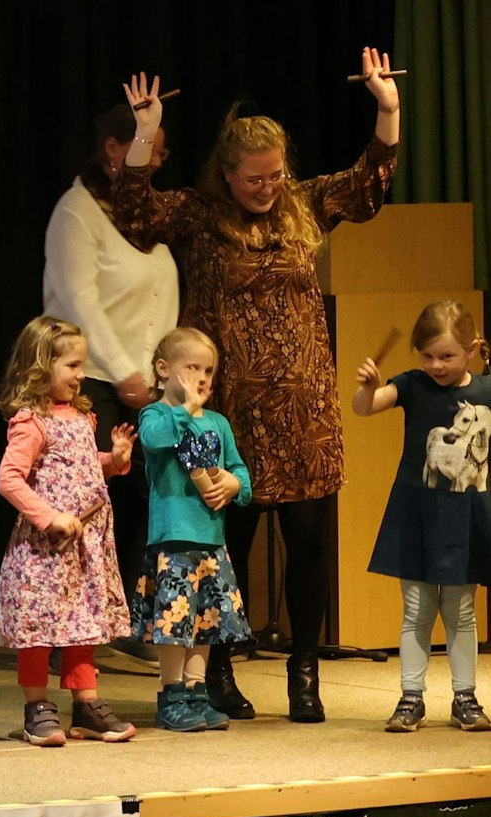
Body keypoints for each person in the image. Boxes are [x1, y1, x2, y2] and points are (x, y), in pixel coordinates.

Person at [113, 56, 400, 723]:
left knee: (308, 544)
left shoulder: (304, 204)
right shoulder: (200, 215)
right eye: (255, 178)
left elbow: (368, 184)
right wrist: (146, 133)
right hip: (226, 413)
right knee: (225, 546)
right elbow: (135, 214)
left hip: (304, 412)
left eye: (276, 176)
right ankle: (216, 669)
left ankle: (305, 670)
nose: (268, 188)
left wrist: (387, 108)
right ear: (227, 172)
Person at [42, 104, 179, 653]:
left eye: (161, 150)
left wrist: (162, 374)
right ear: (115, 148)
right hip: (93, 379)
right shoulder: (77, 211)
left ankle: (128, 619)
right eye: (150, 147)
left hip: (148, 384)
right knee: (85, 503)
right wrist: (124, 371)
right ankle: (63, 631)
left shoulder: (147, 217)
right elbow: (80, 302)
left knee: (149, 502)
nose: (159, 159)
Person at [0, 316, 138, 747]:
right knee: (39, 628)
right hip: (45, 550)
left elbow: (81, 469)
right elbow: (9, 479)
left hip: (85, 546)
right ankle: (36, 706)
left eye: (82, 366)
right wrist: (49, 516)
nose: (80, 375)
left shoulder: (81, 417)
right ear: (41, 366)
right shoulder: (31, 422)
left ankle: (86, 704)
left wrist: (114, 460)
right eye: (72, 366)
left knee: (84, 622)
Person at [351, 299, 491, 733]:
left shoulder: (486, 391)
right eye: (427, 355)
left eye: (446, 356)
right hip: (416, 512)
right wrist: (368, 387)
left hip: (465, 515)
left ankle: (465, 697)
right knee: (416, 608)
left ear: (472, 350)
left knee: (461, 610)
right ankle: (411, 697)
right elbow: (363, 408)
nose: (435, 365)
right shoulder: (412, 384)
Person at [132, 327, 254, 732]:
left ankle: (196, 691)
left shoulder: (218, 423)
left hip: (211, 544)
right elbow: (155, 439)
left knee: (205, 622)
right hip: (174, 542)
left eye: (208, 370)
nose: (201, 378)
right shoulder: (156, 415)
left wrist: (233, 485)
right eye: (192, 368)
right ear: (163, 369)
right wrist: (185, 408)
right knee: (175, 624)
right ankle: (171, 694)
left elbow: (241, 474)